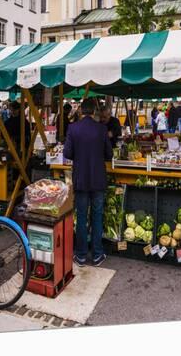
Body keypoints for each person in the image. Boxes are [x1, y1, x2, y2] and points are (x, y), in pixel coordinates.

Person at [63, 98, 113, 267]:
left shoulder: (73, 128)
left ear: (81, 111)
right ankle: (98, 255)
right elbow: (109, 155)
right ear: (94, 111)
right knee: (97, 216)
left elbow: (68, 153)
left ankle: (81, 255)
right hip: (98, 179)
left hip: (81, 179)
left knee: (82, 217)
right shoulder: (102, 129)